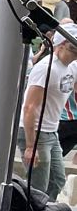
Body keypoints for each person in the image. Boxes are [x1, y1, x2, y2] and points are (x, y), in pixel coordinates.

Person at [20, 28, 77, 200]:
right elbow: (29, 107)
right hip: (36, 131)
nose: (75, 54)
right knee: (38, 185)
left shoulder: (70, 67)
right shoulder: (46, 69)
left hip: (52, 130)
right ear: (59, 46)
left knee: (57, 180)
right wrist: (31, 145)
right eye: (72, 49)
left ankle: (41, 209)